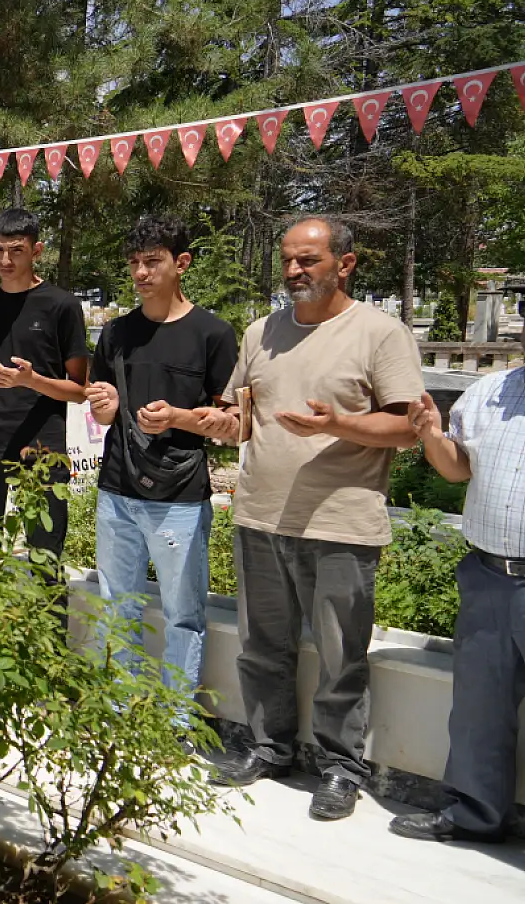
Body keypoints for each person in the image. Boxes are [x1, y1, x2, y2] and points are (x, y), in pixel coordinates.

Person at [206, 217, 423, 822]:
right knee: (262, 647)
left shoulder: (380, 333)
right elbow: (241, 419)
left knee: (339, 655)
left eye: (309, 260)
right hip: (260, 515)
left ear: (345, 265)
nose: (295, 270)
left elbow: (408, 427)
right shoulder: (262, 332)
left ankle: (339, 768)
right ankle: (268, 748)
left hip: (340, 523)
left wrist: (338, 425)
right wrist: (203, 422)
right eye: (288, 259)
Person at [83, 216, 238, 701]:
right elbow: (104, 408)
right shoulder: (115, 334)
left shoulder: (212, 333)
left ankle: (174, 720)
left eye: (153, 262)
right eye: (134, 263)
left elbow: (232, 423)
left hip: (180, 497)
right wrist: (103, 408)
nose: (142, 273)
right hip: (116, 490)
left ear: (181, 263)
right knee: (116, 604)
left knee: (183, 613)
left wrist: (179, 418)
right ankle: (122, 712)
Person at [387, 368, 525, 843]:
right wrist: (430, 434)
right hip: (488, 576)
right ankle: (476, 816)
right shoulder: (490, 391)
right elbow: (456, 467)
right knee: (479, 710)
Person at [0, 208, 89, 560]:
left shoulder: (62, 306)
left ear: (37, 250)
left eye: (17, 250)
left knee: (45, 557)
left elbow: (81, 389)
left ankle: (49, 618)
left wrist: (32, 380)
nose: (6, 260)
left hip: (41, 448)